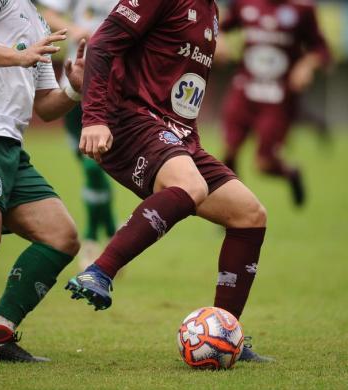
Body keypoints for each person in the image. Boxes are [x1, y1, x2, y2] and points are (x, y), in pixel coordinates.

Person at [66, 0, 271, 362]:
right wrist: (94, 115)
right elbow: (101, 44)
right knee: (191, 187)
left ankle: (225, 332)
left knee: (249, 214)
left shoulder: (211, 10)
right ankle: (99, 271)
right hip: (130, 121)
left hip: (178, 135)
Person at [0, 0, 85, 362]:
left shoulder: (37, 19)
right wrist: (18, 56)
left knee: (61, 236)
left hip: (8, 145)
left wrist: (75, 89)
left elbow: (44, 105)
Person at [219, 0, 331, 206]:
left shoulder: (303, 9)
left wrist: (306, 65)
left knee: (263, 164)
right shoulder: (245, 3)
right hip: (244, 90)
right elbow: (218, 25)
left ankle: (291, 173)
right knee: (229, 150)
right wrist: (220, 41)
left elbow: (322, 49)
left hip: (278, 97)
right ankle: (233, 207)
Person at [38, 0, 118, 270]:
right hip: (73, 89)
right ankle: (111, 228)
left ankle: (91, 241)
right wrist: (74, 29)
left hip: (113, 93)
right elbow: (48, 13)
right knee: (91, 170)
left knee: (93, 167)